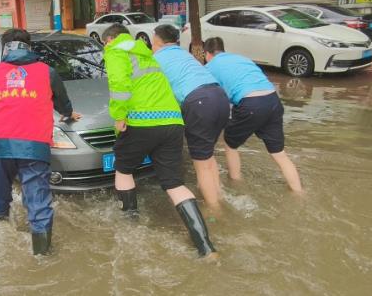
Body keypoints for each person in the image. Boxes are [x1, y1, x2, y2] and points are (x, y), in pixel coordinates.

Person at [102, 23, 217, 258]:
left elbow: (120, 86)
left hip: (141, 122)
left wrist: (119, 116)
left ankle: (130, 230)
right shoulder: (147, 53)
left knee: (123, 170)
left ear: (109, 39)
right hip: (173, 122)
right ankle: (206, 248)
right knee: (173, 183)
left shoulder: (115, 50)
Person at [0, 29, 82, 255]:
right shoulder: (48, 72)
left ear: (5, 47)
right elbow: (62, 102)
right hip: (33, 145)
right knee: (38, 202)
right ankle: (42, 257)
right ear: (29, 46)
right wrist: (68, 114)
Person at [203, 37, 303, 192]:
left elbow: (211, 96)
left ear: (207, 53)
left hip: (250, 103)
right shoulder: (242, 59)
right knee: (279, 153)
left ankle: (236, 183)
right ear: (223, 50)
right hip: (273, 100)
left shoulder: (209, 67)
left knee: (230, 144)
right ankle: (299, 192)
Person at [151, 24, 230, 211]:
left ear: (157, 41)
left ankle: (215, 212)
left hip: (199, 102)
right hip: (220, 97)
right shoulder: (184, 55)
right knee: (208, 156)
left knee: (200, 165)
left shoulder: (156, 58)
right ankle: (218, 196)